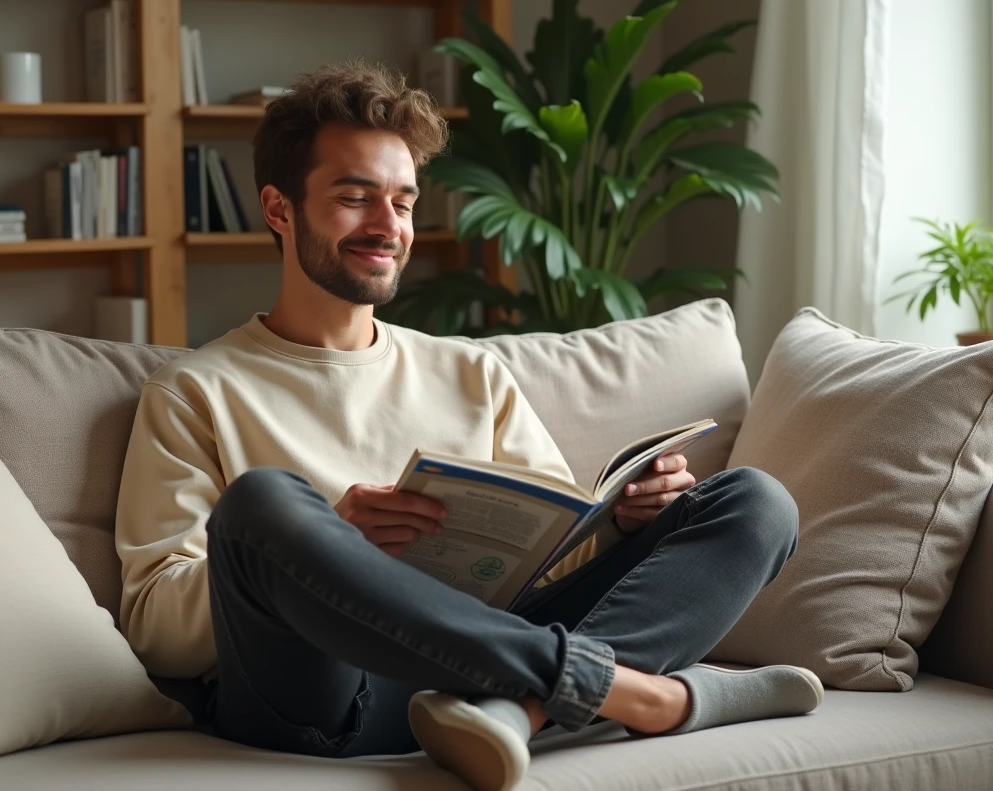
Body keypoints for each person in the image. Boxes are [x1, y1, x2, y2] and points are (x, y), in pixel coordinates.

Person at [114, 59, 822, 791]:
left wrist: (627, 521)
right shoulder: (196, 390)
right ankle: (635, 692)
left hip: (468, 693)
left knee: (755, 501)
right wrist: (334, 540)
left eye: (403, 201)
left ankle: (524, 710)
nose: (388, 227)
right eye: (356, 198)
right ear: (280, 209)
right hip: (327, 701)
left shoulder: (468, 373)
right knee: (262, 503)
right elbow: (155, 623)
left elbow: (557, 554)